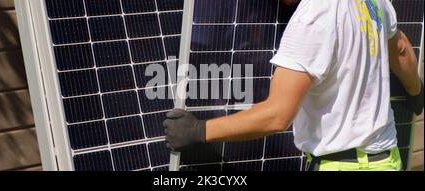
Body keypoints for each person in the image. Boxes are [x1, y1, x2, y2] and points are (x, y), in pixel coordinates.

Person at [163, 0, 424, 171]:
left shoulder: (312, 19)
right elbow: (400, 49)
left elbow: (278, 115)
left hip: (341, 165)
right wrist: (416, 90)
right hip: (387, 161)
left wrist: (200, 130)